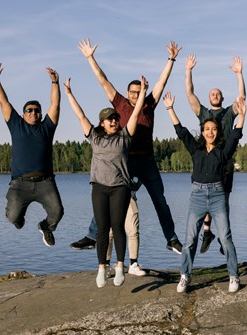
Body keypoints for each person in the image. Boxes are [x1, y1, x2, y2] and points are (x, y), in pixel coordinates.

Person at [69, 38, 183, 263]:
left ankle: (171, 239)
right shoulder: (119, 103)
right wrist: (90, 58)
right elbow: (103, 81)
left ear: (143, 91)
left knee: (159, 199)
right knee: (108, 193)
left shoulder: (149, 104)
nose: (134, 94)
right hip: (125, 162)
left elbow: (162, 80)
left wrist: (171, 59)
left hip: (147, 161)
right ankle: (93, 236)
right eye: (132, 91)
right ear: (127, 92)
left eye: (138, 91)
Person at [64, 75, 148, 287]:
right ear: (102, 123)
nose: (113, 121)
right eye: (109, 119)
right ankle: (102, 268)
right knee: (103, 229)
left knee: (118, 227)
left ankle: (120, 267)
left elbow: (136, 112)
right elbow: (80, 115)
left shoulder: (124, 137)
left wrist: (143, 93)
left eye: (115, 118)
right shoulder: (95, 137)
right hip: (99, 188)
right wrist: (69, 94)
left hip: (120, 187)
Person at [164, 92, 244, 293]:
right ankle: (185, 276)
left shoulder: (223, 151)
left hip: (217, 195)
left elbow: (236, 134)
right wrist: (170, 109)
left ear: (218, 132)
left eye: (214, 129)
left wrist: (242, 114)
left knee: (225, 237)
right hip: (197, 196)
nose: (210, 132)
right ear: (202, 132)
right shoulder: (196, 149)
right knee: (190, 239)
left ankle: (233, 276)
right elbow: (181, 131)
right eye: (207, 129)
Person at [0, 63, 64, 247]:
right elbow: (3, 102)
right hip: (19, 184)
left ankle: (45, 227)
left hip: (45, 182)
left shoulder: (47, 128)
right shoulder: (16, 125)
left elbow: (55, 104)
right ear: (23, 114)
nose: (33, 112)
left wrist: (55, 83)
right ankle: (18, 218)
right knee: (13, 217)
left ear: (40, 114)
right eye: (29, 110)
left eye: (36, 110)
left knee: (57, 213)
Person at [184, 54, 245, 253]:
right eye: (212, 93)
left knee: (222, 201)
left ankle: (221, 237)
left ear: (222, 97)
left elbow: (242, 100)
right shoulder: (204, 114)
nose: (215, 95)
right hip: (207, 161)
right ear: (209, 97)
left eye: (218, 93)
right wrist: (188, 71)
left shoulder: (228, 113)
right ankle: (208, 231)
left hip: (225, 161)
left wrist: (239, 74)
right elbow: (190, 94)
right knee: (206, 200)